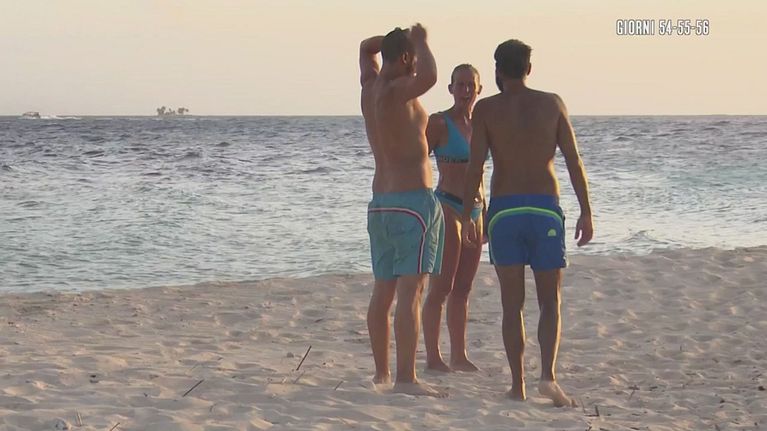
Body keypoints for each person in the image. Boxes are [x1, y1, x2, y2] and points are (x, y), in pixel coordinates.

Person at [460, 39, 594, 407]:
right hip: (545, 207)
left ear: (498, 70)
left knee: (512, 305)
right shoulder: (552, 104)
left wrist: (468, 214)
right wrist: (586, 210)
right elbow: (574, 162)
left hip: (504, 211)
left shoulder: (486, 109)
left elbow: (475, 167)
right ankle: (547, 377)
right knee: (550, 301)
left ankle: (518, 385)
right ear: (529, 69)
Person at [359, 24, 446, 397]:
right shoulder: (398, 90)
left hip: (381, 204)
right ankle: (406, 379)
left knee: (384, 291)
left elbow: (365, 47)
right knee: (412, 291)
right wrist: (420, 40)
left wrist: (396, 41)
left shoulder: (370, 88)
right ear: (407, 58)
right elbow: (431, 76)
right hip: (411, 202)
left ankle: (382, 373)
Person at [422, 64, 485, 373]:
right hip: (447, 205)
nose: (465, 90)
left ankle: (459, 355)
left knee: (464, 287)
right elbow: (415, 160)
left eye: (471, 85)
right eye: (460, 85)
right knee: (442, 287)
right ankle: (433, 357)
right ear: (450, 89)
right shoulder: (439, 122)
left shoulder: (482, 124)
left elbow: (483, 172)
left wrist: (487, 211)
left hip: (476, 209)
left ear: (479, 89)